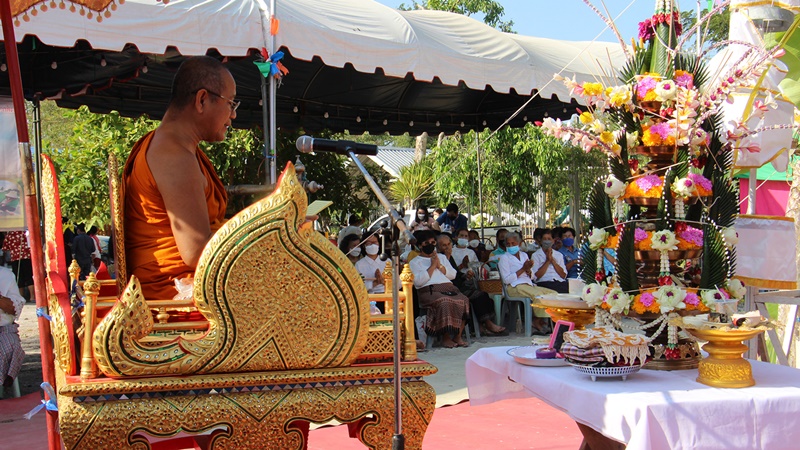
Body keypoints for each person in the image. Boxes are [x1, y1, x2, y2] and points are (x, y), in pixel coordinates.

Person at [124, 56, 235, 299]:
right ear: (202, 100)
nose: (233, 115)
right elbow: (196, 252)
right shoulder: (173, 155)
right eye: (230, 103)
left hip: (182, 283)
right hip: (171, 292)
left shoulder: (175, 147)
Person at [409, 231, 469, 348]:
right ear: (420, 245)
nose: (430, 245)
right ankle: (445, 338)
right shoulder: (415, 262)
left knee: (464, 300)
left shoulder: (441, 257)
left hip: (448, 287)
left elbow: (453, 274)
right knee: (444, 302)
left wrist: (439, 266)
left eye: (433, 242)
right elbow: (418, 282)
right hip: (429, 291)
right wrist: (432, 266)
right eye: (426, 243)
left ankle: (458, 335)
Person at [438, 233, 506, 336]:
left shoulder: (450, 257)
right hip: (449, 289)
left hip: (460, 285)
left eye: (448, 244)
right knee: (477, 295)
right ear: (439, 247)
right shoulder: (439, 258)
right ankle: (487, 324)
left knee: (483, 294)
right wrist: (447, 258)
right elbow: (446, 274)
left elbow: (456, 273)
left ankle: (482, 325)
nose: (447, 247)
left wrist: (465, 275)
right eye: (444, 245)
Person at [498, 232, 556, 335]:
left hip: (528, 284)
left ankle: (548, 321)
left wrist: (528, 270)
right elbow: (506, 280)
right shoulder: (504, 258)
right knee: (538, 295)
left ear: (519, 244)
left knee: (553, 294)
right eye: (508, 244)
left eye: (513, 243)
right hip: (513, 286)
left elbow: (532, 276)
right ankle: (536, 321)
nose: (511, 246)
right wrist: (522, 269)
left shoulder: (524, 255)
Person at [0, 265, 25, 395]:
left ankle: (3, 385)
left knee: (11, 346)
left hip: (3, 329)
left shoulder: (5, 275)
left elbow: (14, 309)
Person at [532, 229, 569, 293]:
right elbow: (535, 276)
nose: (547, 241)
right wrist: (547, 261)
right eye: (544, 239)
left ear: (553, 241)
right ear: (541, 241)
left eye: (549, 239)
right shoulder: (535, 255)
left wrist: (552, 260)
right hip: (543, 283)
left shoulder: (559, 255)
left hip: (559, 283)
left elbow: (563, 275)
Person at [1, 231, 34, 303]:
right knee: (29, 277)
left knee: (18, 278)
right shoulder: (26, 233)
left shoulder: (10, 234)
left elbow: (5, 247)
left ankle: (21, 297)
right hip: (27, 256)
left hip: (15, 257)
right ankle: (32, 297)